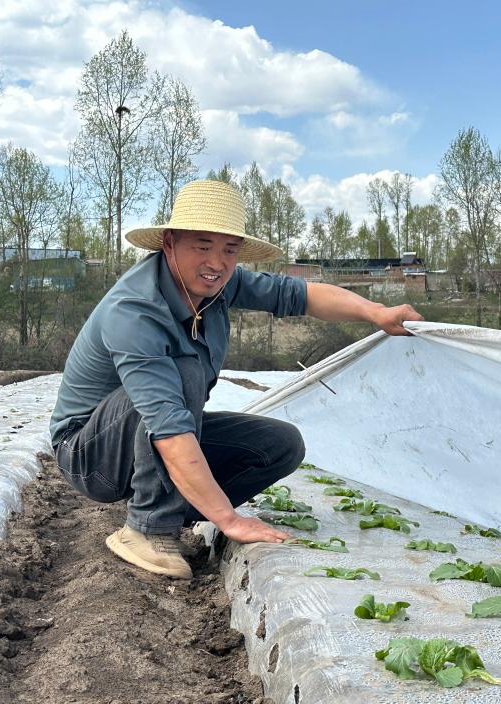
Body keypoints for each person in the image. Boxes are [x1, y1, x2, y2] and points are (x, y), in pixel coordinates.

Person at [49, 179, 422, 578]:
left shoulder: (220, 285)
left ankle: (173, 510)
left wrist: (375, 312)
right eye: (203, 246)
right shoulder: (134, 311)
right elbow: (168, 428)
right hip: (89, 454)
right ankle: (146, 528)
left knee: (280, 445)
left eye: (229, 249)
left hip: (148, 437)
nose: (217, 262)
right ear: (170, 243)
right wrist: (228, 519)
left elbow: (301, 295)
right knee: (183, 369)